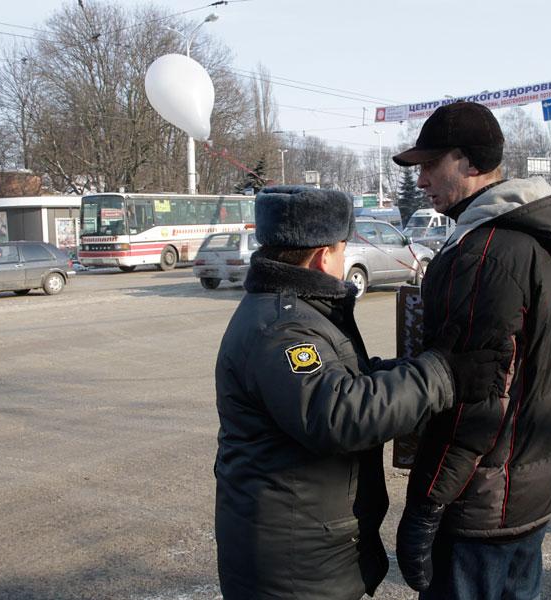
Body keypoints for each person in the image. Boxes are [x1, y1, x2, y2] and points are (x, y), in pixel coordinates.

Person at [214, 185, 511, 600]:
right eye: (342, 247)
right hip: (293, 565)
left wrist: (416, 368)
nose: (344, 254)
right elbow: (339, 414)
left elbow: (349, 380)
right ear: (323, 257)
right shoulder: (283, 328)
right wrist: (440, 375)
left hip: (305, 546)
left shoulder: (298, 309)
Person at [391, 101, 551, 600]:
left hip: (482, 503)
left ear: (471, 163)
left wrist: (425, 505)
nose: (421, 178)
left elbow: (475, 402)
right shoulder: (538, 239)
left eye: (432, 164)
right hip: (529, 494)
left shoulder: (485, 254)